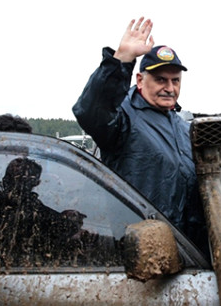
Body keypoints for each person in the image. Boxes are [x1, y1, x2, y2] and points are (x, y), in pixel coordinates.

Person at [72, 17, 209, 257]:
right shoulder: (123, 118)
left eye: (175, 80)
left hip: (188, 253)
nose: (170, 87)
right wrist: (121, 60)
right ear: (139, 80)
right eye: (160, 80)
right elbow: (92, 110)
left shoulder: (181, 125)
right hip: (141, 254)